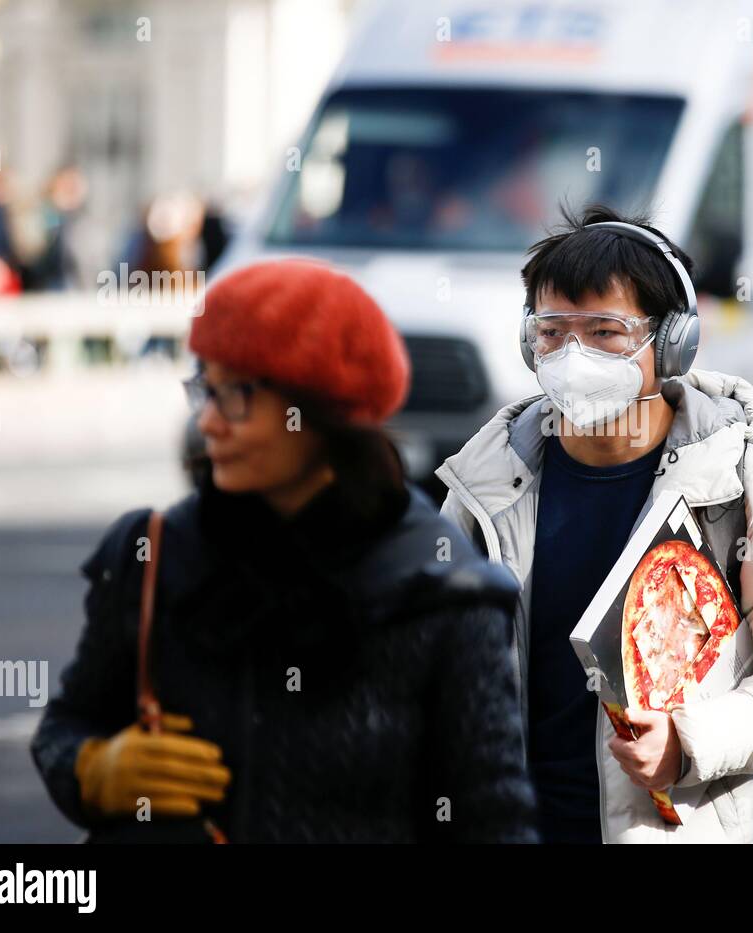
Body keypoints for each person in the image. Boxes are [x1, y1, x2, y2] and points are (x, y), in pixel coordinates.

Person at [31, 259, 537, 843]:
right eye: (205, 390)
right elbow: (65, 725)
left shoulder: (444, 594)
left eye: (237, 396)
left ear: (321, 412)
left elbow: (492, 819)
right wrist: (94, 771)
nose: (209, 423)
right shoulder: (153, 555)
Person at [436, 203, 753, 843]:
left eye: (605, 332)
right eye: (552, 333)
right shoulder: (484, 488)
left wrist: (689, 745)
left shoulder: (742, 487)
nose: (574, 356)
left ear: (671, 342)